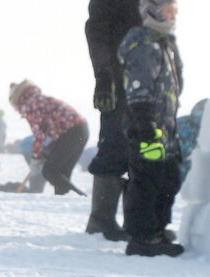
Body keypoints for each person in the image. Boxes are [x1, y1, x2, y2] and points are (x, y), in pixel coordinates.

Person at [119, 0, 185, 257]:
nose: (172, 16)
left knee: (168, 179)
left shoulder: (164, 43)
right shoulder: (145, 44)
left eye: (174, 11)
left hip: (165, 126)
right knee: (146, 181)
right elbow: (140, 88)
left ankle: (156, 231)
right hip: (146, 125)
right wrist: (146, 126)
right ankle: (142, 238)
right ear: (153, 10)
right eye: (168, 10)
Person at [84, 0, 141, 240]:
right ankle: (101, 220)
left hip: (146, 82)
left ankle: (137, 223)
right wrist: (104, 77)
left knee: (142, 151)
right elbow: (96, 32)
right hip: (119, 82)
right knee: (115, 146)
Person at [9, 80, 88, 195]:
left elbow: (39, 135)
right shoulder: (37, 99)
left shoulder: (30, 104)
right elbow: (49, 129)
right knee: (61, 174)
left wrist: (35, 159)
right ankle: (63, 204)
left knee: (50, 171)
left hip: (71, 132)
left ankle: (81, 197)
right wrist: (44, 152)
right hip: (80, 129)